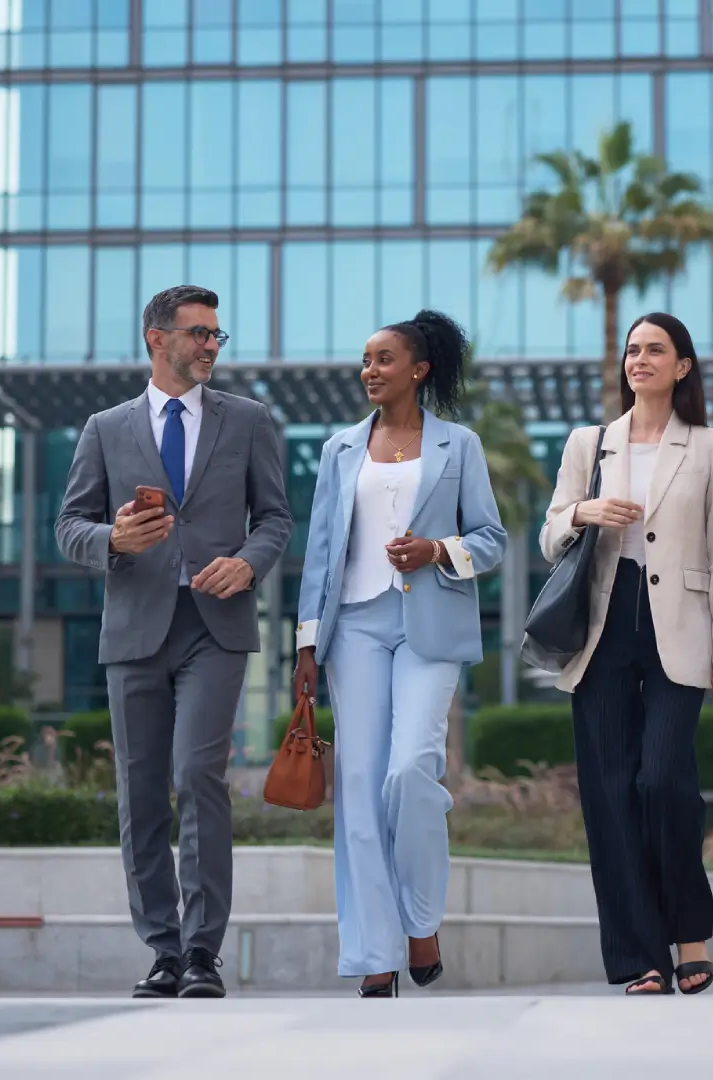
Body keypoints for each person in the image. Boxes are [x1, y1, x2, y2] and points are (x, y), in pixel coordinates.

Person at [55, 285, 293, 998]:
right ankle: (162, 950)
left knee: (197, 776)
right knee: (141, 795)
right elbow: (70, 527)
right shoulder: (106, 427)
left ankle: (202, 952)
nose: (211, 346)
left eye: (218, 335)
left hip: (214, 630)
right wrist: (113, 539)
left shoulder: (249, 422)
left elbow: (276, 518)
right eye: (199, 334)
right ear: (158, 339)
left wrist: (248, 562)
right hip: (133, 630)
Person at [292, 309, 506, 998]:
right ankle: (371, 951)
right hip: (353, 624)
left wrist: (439, 550)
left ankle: (420, 921)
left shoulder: (459, 445)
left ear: (418, 369)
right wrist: (305, 644)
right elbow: (321, 552)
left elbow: (493, 539)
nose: (370, 371)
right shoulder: (338, 450)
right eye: (365, 359)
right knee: (357, 787)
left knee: (411, 769)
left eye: (384, 359)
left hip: (430, 624)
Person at [538, 312, 713, 996]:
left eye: (655, 349)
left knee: (664, 782)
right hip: (603, 626)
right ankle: (640, 957)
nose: (640, 359)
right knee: (608, 793)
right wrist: (583, 514)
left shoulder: (711, 445)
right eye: (633, 349)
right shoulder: (590, 442)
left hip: (680, 628)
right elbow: (549, 534)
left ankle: (691, 933)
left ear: (682, 365)